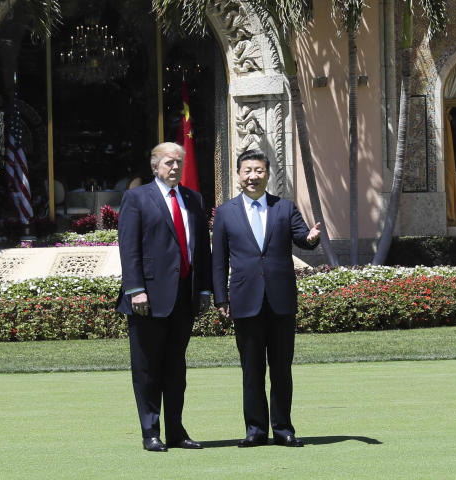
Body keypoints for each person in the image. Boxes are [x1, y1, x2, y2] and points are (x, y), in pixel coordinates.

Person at [212, 149, 321, 448]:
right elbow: (218, 260)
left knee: (281, 369)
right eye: (247, 171)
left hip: (280, 301)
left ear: (267, 174)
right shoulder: (226, 212)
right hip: (245, 300)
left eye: (258, 170)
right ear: (238, 175)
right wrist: (220, 298)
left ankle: (283, 429)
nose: (253, 176)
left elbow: (302, 237)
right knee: (252, 370)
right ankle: (256, 430)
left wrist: (311, 238)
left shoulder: (284, 208)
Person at [116, 142, 212, 452]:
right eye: (169, 162)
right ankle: (150, 432)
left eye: (179, 162)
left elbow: (202, 249)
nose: (175, 167)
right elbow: (129, 248)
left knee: (175, 369)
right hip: (147, 298)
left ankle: (176, 432)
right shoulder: (136, 198)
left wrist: (205, 289)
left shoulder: (193, 199)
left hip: (184, 296)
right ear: (155, 166)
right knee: (147, 368)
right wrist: (135, 290)